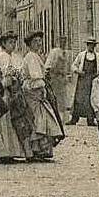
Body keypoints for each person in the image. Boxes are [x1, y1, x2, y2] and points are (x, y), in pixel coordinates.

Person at [21, 31, 64, 161]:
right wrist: (41, 87)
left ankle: (41, 149)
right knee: (38, 119)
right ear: (30, 44)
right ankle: (35, 150)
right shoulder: (31, 57)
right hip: (33, 90)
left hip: (37, 88)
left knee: (42, 118)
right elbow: (36, 75)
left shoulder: (36, 55)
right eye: (35, 41)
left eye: (40, 41)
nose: (39, 43)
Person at [0, 31, 26, 162]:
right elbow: (3, 76)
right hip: (4, 92)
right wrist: (10, 79)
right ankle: (3, 153)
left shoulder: (14, 57)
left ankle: (11, 152)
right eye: (10, 42)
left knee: (12, 121)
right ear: (3, 44)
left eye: (14, 42)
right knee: (4, 122)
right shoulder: (2, 56)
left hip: (13, 91)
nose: (13, 45)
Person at [69, 38, 99, 126]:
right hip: (82, 81)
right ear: (87, 45)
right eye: (90, 44)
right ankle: (74, 119)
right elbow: (73, 66)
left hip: (92, 81)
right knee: (78, 99)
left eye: (93, 45)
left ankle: (90, 120)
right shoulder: (81, 55)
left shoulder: (98, 56)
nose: (91, 46)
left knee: (91, 100)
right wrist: (78, 71)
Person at [44, 37, 70, 118]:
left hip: (62, 79)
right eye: (62, 42)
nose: (63, 44)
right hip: (55, 78)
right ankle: (54, 114)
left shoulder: (66, 53)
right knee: (55, 96)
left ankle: (62, 115)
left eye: (65, 42)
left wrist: (66, 75)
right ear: (58, 42)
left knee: (62, 98)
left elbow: (66, 66)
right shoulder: (54, 52)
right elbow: (48, 65)